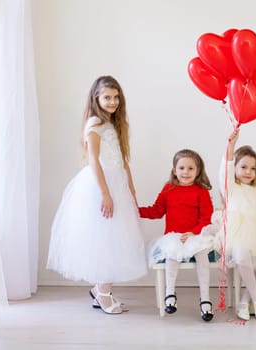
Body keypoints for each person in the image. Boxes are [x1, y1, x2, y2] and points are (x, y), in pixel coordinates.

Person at [47, 75, 147, 315]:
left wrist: (130, 188)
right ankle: (103, 293)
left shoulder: (115, 124)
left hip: (118, 182)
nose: (112, 102)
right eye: (107, 97)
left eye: (116, 97)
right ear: (96, 98)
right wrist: (106, 193)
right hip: (101, 184)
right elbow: (93, 159)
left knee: (115, 237)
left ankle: (100, 290)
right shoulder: (94, 123)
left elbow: (123, 160)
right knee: (107, 238)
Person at [139, 149, 216, 322]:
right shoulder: (169, 189)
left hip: (195, 234)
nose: (186, 172)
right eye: (181, 168)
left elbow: (207, 216)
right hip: (173, 236)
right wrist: (136, 211)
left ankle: (205, 300)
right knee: (171, 253)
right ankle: (170, 295)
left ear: (198, 171)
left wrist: (194, 232)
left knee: (202, 255)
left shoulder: (201, 191)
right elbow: (157, 211)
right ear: (174, 170)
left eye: (190, 168)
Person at [218, 129, 256, 321]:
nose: (248, 172)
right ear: (235, 168)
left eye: (253, 169)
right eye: (243, 167)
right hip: (235, 233)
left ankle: (245, 301)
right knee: (242, 255)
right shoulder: (231, 188)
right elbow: (224, 170)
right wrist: (231, 146)